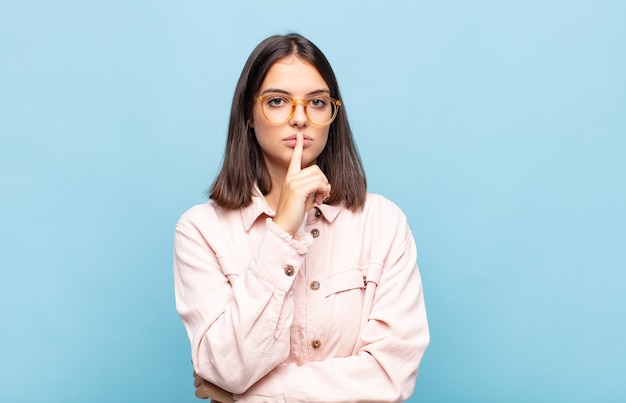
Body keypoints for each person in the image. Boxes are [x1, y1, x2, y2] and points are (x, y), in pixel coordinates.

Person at [173, 33, 429, 403]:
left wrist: (249, 396)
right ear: (248, 113)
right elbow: (227, 369)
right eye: (277, 101)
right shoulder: (201, 231)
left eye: (317, 103)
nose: (299, 119)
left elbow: (390, 378)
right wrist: (282, 232)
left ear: (331, 115)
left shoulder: (382, 222)